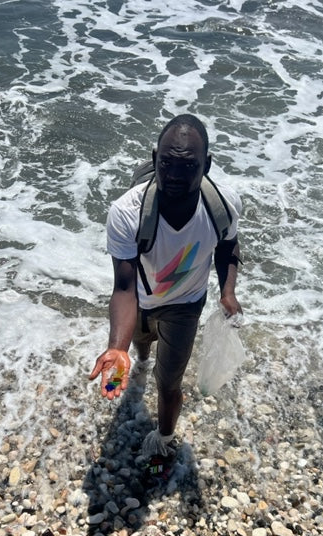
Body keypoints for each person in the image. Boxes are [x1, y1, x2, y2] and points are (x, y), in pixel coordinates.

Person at [89, 114, 242, 474]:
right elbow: (123, 287)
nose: (174, 175)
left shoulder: (223, 205)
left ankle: (163, 439)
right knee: (140, 347)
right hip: (140, 302)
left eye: (188, 166)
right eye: (167, 164)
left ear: (207, 164)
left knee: (169, 383)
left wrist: (228, 291)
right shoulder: (127, 212)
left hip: (186, 307)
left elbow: (229, 245)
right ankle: (138, 362)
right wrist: (116, 347)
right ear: (155, 157)